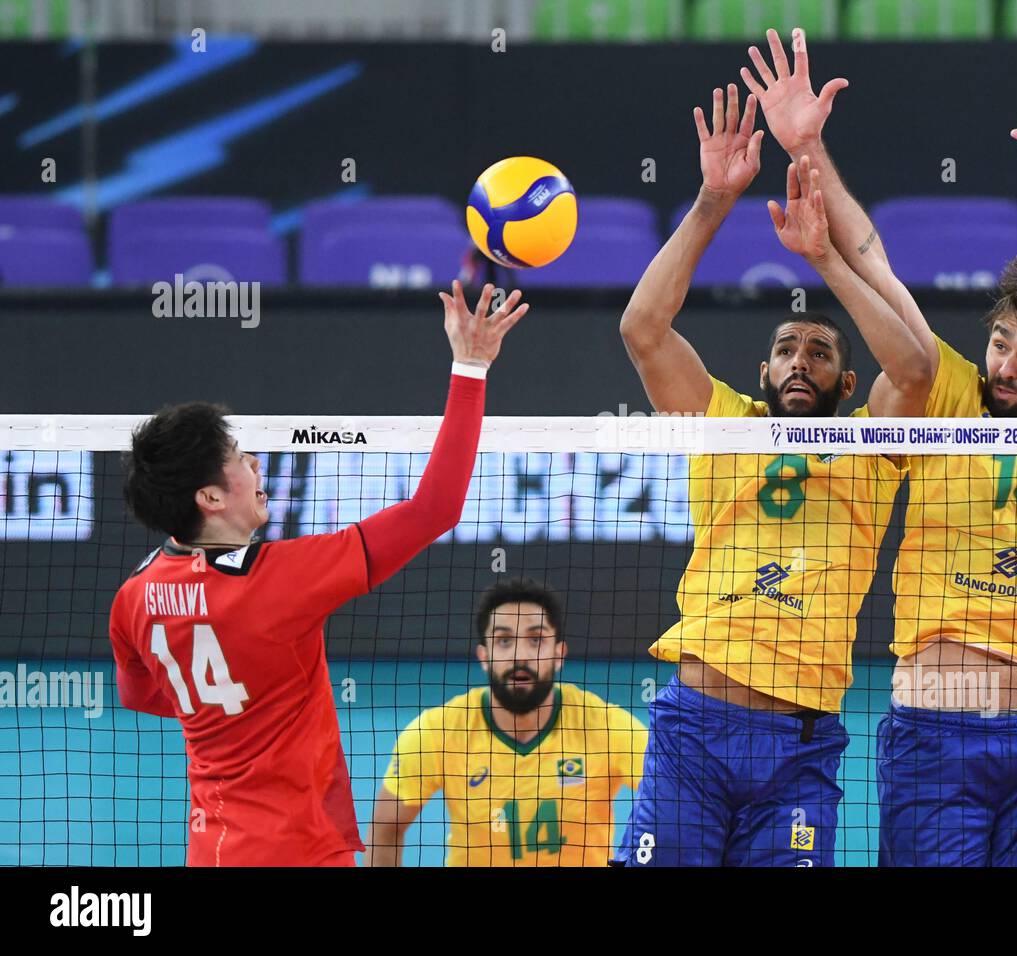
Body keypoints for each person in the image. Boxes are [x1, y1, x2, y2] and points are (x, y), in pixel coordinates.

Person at [745, 28, 1017, 866]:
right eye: (1001, 343)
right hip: (933, 736)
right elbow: (874, 257)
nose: (1007, 363)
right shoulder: (950, 392)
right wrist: (808, 144)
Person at [611, 80, 931, 867]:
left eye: (819, 353)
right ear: (762, 368)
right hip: (694, 729)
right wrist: (715, 200)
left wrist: (824, 257)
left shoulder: (872, 446)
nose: (799, 361)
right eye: (786, 349)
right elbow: (643, 329)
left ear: (847, 385)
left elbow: (917, 367)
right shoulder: (719, 422)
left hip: (799, 743)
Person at [108, 281, 527, 866]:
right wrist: (471, 366)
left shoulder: (134, 597)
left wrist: (227, 708)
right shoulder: (284, 580)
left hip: (213, 851)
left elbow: (142, 693)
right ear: (208, 495)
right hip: (303, 850)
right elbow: (435, 509)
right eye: (237, 459)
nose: (255, 462)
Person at [364, 578, 647, 866]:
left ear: (559, 654)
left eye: (536, 640)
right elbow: (386, 830)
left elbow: (677, 805)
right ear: (484, 657)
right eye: (503, 641)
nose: (519, 655)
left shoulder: (608, 726)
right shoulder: (438, 731)